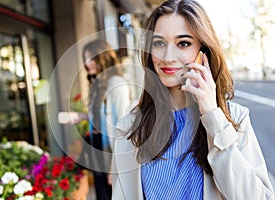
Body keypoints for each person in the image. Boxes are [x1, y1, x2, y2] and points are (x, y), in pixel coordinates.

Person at [111, 0, 275, 199]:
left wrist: (213, 119)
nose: (168, 57)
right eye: (159, 43)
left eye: (183, 43)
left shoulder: (234, 119)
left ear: (203, 52)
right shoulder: (131, 128)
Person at [67, 39, 131, 200]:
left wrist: (115, 163)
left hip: (110, 149)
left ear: (103, 59)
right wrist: (82, 117)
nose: (87, 63)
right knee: (101, 193)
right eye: (86, 59)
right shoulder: (97, 84)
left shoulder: (117, 84)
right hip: (97, 145)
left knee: (113, 194)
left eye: (91, 58)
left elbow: (123, 125)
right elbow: (101, 116)